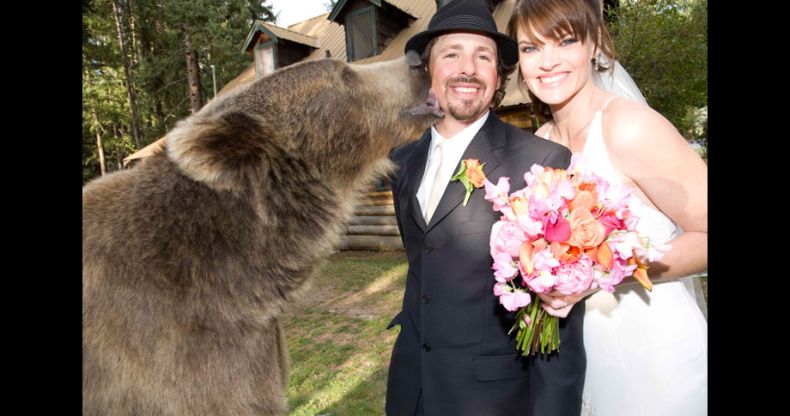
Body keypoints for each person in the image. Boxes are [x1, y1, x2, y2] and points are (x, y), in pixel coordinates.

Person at [506, 0, 708, 414]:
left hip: (651, 356)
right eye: (530, 48)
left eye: (564, 41)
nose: (547, 62)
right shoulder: (539, 143)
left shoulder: (629, 127)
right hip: (575, 358)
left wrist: (598, 274)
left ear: (594, 43)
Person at [385, 1, 586, 415]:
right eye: (452, 53)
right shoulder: (402, 161)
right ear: (428, 71)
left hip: (492, 399)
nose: (468, 69)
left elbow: (559, 317)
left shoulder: (543, 163)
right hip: (412, 388)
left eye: (483, 56)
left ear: (498, 77)